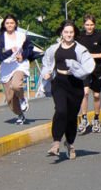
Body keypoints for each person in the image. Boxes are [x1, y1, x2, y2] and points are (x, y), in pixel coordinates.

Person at [40, 22, 95, 159]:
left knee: (71, 116)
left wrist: (78, 71)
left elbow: (88, 67)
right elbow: (47, 63)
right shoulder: (54, 49)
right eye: (66, 32)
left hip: (75, 85)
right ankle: (56, 143)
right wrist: (46, 73)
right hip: (59, 82)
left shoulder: (80, 49)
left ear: (74, 33)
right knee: (61, 110)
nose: (68, 35)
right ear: (61, 33)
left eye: (71, 32)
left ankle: (70, 143)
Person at [0, 15, 38, 124]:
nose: (10, 25)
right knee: (10, 99)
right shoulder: (2, 38)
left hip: (19, 65)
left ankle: (22, 99)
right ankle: (20, 114)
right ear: (4, 25)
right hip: (6, 67)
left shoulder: (22, 36)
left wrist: (23, 56)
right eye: (7, 23)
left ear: (15, 24)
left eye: (12, 23)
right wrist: (10, 51)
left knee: (16, 85)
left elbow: (30, 48)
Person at [77, 14, 101, 133]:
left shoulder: (100, 36)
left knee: (96, 95)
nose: (89, 27)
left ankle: (96, 119)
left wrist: (93, 56)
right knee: (85, 93)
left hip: (97, 68)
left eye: (91, 25)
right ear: (83, 25)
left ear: (94, 25)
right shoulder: (79, 37)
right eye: (87, 24)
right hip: (84, 69)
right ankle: (84, 118)